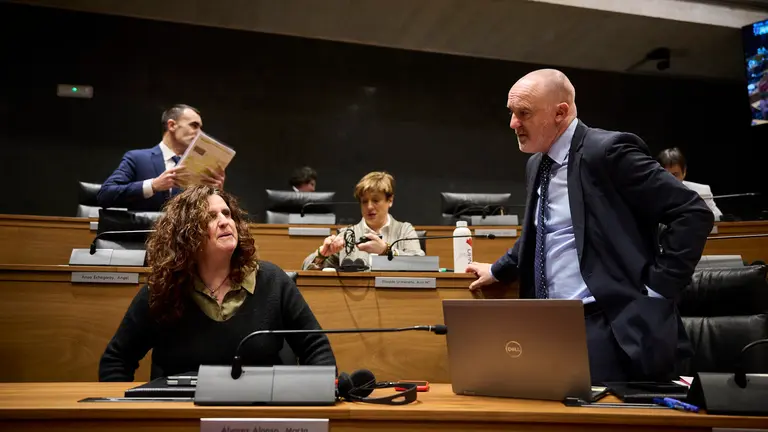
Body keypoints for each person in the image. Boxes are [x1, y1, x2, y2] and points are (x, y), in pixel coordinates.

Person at [466, 69, 714, 383]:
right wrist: (498, 269)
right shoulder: (537, 163)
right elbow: (542, 231)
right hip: (548, 327)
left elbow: (692, 212)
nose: (513, 123)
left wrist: (658, 288)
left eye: (524, 113)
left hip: (609, 327)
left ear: (560, 113)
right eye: (511, 112)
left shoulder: (608, 151)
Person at [99, 185, 335, 381]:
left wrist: (318, 398)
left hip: (257, 411)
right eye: (211, 217)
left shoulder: (273, 280)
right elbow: (116, 360)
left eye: (227, 213)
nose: (224, 221)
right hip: (183, 413)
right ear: (186, 234)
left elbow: (316, 349)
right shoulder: (163, 290)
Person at [96, 104, 226, 211]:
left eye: (200, 128)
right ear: (172, 125)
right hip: (143, 233)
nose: (200, 133)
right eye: (194, 125)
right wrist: (153, 185)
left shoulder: (200, 167)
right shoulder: (137, 158)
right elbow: (105, 195)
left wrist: (215, 192)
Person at [302, 171, 424, 270]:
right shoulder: (347, 234)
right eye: (364, 201)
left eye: (375, 200)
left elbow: (421, 264)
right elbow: (305, 268)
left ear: (390, 201)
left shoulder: (404, 230)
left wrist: (386, 250)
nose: (369, 207)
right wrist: (322, 254)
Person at [656, 147, 723, 221]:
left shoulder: (702, 191)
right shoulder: (651, 194)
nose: (671, 179)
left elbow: (718, 217)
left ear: (684, 171)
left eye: (675, 175)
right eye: (667, 175)